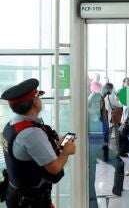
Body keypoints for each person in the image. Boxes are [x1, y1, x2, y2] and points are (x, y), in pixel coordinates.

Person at [1, 79, 76, 207]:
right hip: (30, 201)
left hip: (17, 193)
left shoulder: (12, 125)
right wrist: (66, 152)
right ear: (35, 102)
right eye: (38, 96)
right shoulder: (31, 133)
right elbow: (54, 168)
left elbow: (29, 155)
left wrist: (55, 146)